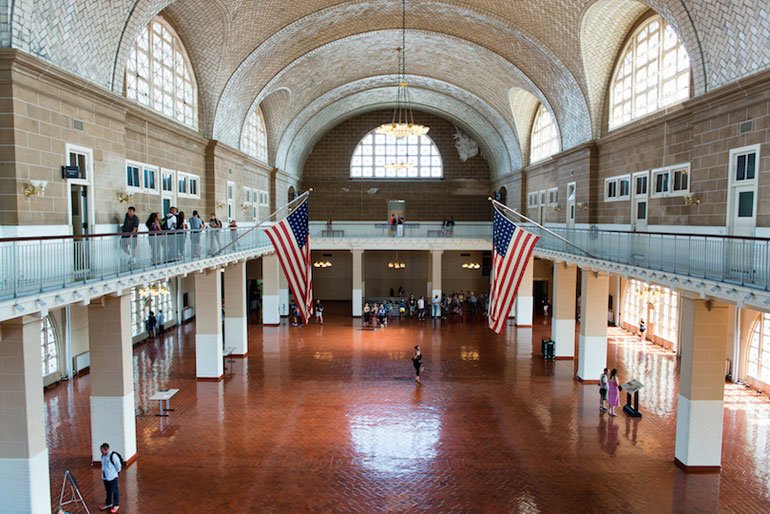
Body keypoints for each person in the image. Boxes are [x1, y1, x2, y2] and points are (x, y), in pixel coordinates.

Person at [98, 442, 121, 512]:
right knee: (108, 490)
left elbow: (118, 465)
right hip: (105, 477)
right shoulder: (103, 456)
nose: (101, 452)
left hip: (112, 477)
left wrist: (115, 472)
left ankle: (116, 504)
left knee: (114, 490)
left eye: (102, 451)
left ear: (107, 449)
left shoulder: (113, 456)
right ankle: (108, 503)